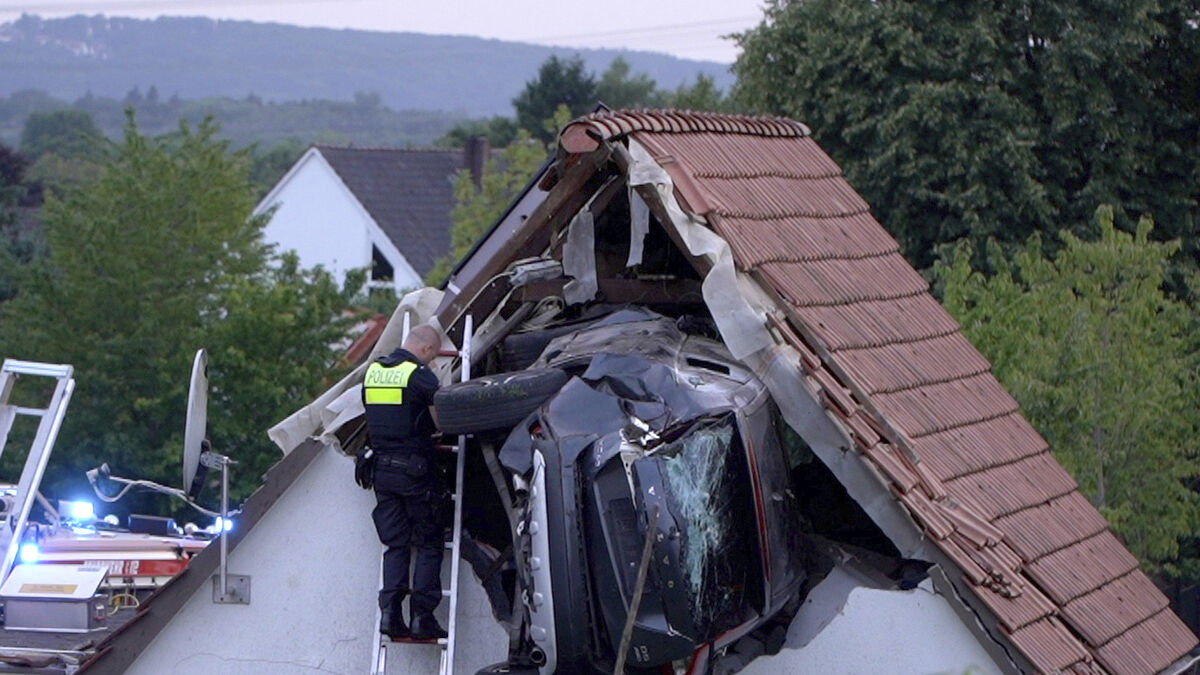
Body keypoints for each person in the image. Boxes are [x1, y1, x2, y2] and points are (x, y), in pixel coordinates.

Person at [362, 323, 447, 641]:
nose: (431, 362)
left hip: (381, 472)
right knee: (428, 541)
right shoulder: (420, 374)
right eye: (432, 356)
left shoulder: (373, 372)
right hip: (414, 471)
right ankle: (422, 618)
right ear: (426, 349)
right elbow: (441, 419)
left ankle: (390, 615)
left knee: (396, 544)